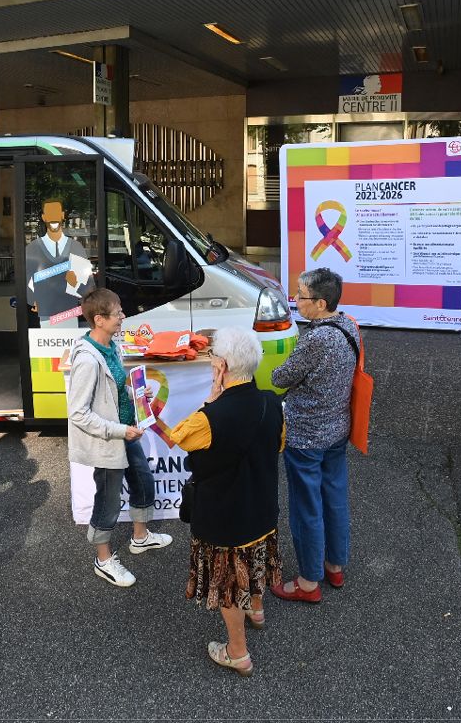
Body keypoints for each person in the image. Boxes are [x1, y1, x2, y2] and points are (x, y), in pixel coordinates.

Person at [160, 328, 284, 677]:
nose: (211, 360)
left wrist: (211, 400)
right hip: (261, 508)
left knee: (229, 580)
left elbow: (179, 437)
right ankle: (256, 609)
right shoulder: (272, 403)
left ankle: (238, 652)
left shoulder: (210, 418)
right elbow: (277, 446)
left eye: (214, 356)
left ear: (223, 366)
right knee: (257, 558)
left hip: (226, 517)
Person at [66, 287, 171, 588]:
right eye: (118, 313)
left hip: (125, 432)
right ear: (99, 319)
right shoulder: (87, 360)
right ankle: (103, 559)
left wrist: (137, 393)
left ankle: (140, 537)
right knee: (108, 501)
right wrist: (119, 430)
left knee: (142, 481)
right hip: (111, 439)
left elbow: (114, 390)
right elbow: (78, 413)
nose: (124, 317)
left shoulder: (113, 346)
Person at [270, 267, 360, 603]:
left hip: (306, 436)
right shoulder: (348, 324)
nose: (296, 300)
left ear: (320, 303)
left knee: (306, 507)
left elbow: (281, 377)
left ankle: (308, 581)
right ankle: (335, 565)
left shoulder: (317, 338)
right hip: (337, 428)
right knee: (334, 498)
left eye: (301, 295)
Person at [25, 198, 92, 327]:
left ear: (62, 215)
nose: (53, 218)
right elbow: (26, 280)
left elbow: (87, 287)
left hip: (70, 312)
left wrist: (76, 284)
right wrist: (33, 300)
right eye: (49, 213)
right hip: (45, 314)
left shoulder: (76, 247)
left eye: (56, 213)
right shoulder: (32, 249)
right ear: (44, 217)